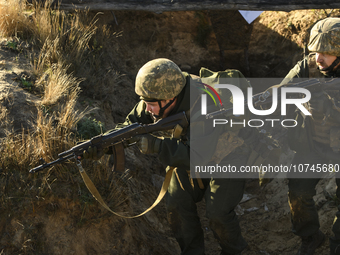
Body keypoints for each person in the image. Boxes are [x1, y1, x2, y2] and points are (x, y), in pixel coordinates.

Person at [83, 58, 280, 254]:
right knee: (176, 202)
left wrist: (158, 146)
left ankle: (235, 250)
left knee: (218, 213)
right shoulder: (155, 99)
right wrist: (103, 146)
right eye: (144, 101)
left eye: (150, 103)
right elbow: (129, 128)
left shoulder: (206, 103)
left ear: (170, 98)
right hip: (190, 149)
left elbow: (199, 157)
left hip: (229, 153)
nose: (146, 108)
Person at [279, 17, 340, 255]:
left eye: (326, 52)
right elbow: (281, 90)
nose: (318, 58)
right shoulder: (309, 68)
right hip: (314, 145)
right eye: (315, 50)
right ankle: (310, 236)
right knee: (298, 191)